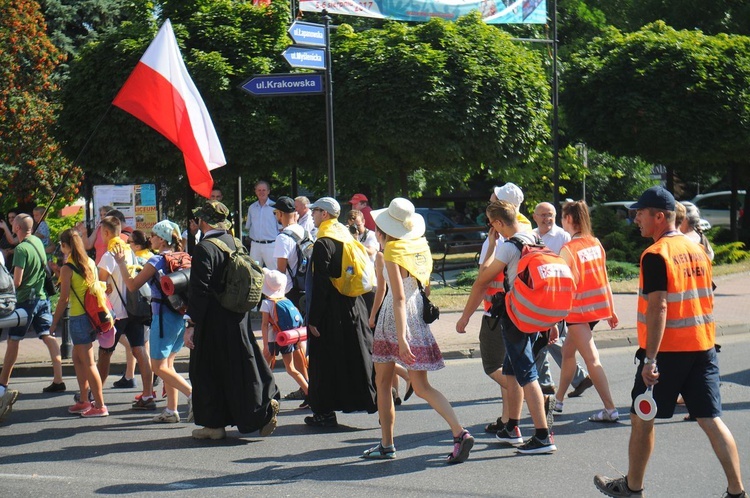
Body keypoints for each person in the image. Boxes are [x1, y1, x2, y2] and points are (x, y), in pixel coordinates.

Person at [594, 186, 745, 498]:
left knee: (641, 417)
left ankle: (632, 489)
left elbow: (659, 306)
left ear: (659, 216)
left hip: (667, 351)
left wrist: (650, 360)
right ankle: (737, 492)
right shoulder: (697, 249)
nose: (635, 218)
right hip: (703, 347)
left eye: (640, 213)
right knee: (710, 419)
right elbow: (705, 292)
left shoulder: (656, 255)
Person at [364, 198, 474, 463]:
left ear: (385, 229)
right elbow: (425, 288)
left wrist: (401, 336)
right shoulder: (420, 245)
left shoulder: (391, 251)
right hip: (416, 313)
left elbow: (397, 296)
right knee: (423, 386)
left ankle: (387, 444)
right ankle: (459, 432)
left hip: (396, 315)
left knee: (382, 382)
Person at [457, 200, 556, 455]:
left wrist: (464, 317)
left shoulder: (510, 247)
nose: (492, 229)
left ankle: (543, 436)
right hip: (535, 315)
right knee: (511, 372)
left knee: (527, 374)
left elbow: (481, 282)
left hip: (516, 318)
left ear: (500, 223)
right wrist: (552, 321)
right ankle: (512, 427)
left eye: (492, 224)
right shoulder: (535, 239)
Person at [186, 200, 279, 440]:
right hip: (238, 317)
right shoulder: (234, 242)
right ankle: (262, 409)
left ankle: (213, 425)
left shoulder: (205, 248)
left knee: (206, 371)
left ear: (203, 222)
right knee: (242, 366)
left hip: (213, 321)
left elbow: (200, 290)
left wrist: (191, 324)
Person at [304, 197, 377, 427]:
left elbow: (321, 283)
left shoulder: (323, 242)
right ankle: (375, 402)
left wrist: (313, 318)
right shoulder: (346, 235)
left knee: (324, 361)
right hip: (354, 305)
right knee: (356, 356)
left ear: (324, 214)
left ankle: (324, 412)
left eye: (315, 211)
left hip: (331, 310)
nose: (313, 215)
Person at [113, 220, 193, 424]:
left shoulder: (157, 260)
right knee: (169, 365)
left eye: (154, 235)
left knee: (158, 366)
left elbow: (132, 285)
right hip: (179, 316)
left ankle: (193, 395)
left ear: (162, 239)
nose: (150, 239)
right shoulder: (183, 256)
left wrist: (121, 263)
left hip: (162, 317)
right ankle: (171, 410)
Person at [467, 182, 532, 434]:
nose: (489, 202)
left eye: (493, 199)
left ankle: (535, 395)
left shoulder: (501, 237)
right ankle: (507, 420)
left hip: (499, 310)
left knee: (493, 365)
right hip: (517, 308)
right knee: (508, 366)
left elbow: (483, 276)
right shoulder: (525, 229)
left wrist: (464, 317)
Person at [552, 200, 619, 422]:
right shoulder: (595, 243)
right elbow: (604, 277)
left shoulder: (568, 249)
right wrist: (611, 309)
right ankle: (558, 401)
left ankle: (610, 409)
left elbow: (560, 286)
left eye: (563, 217)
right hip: (596, 309)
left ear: (569, 219)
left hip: (578, 311)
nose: (562, 221)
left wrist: (552, 317)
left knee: (592, 359)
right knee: (568, 353)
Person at [0, 213, 64, 420]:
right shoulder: (36, 241)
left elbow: (16, 281)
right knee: (47, 336)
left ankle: (3, 383)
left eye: (12, 223)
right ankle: (58, 378)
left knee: (14, 341)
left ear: (17, 227)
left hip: (25, 300)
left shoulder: (21, 249)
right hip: (42, 298)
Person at [532, 202, 593, 398]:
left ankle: (563, 379)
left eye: (550, 215)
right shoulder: (532, 235)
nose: (546, 218)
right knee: (543, 340)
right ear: (535, 217)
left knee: (551, 339)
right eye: (542, 215)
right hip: (538, 295)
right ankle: (548, 382)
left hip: (558, 296)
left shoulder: (563, 237)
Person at [96, 216, 154, 409]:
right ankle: (148, 395)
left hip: (115, 313)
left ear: (105, 232)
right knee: (140, 351)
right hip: (133, 310)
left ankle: (96, 395)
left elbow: (100, 284)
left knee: (105, 353)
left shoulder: (108, 255)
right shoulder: (129, 250)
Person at [49, 229, 108, 417]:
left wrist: (53, 323)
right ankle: (84, 400)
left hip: (78, 318)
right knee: (77, 358)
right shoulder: (89, 262)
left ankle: (99, 405)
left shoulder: (68, 268)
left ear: (65, 246)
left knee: (89, 363)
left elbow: (63, 299)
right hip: (91, 317)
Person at [368, 228, 411, 407]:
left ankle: (405, 380)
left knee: (385, 357)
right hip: (409, 307)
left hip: (390, 308)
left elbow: (382, 289)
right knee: (391, 355)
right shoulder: (405, 251)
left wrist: (372, 315)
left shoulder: (382, 255)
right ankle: (397, 393)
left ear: (380, 235)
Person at [272, 196, 310, 401]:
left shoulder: (283, 238)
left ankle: (307, 388)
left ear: (279, 214)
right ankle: (308, 386)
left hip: (289, 293)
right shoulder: (304, 232)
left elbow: (280, 272)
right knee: (302, 340)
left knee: (295, 342)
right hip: (305, 290)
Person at [260, 269, 309, 408]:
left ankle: (263, 398)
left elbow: (264, 325)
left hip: (272, 341)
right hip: (286, 339)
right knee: (291, 369)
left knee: (263, 370)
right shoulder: (285, 300)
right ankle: (309, 394)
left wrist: (265, 345)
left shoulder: (267, 303)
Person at [346, 209, 378, 313]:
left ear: (363, 221)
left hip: (369, 281)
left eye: (358, 225)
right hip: (354, 280)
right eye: (352, 226)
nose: (356, 229)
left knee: (369, 311)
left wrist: (355, 241)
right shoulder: (347, 236)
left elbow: (371, 252)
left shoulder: (371, 235)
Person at [244, 180, 279, 270]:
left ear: (268, 191)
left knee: (275, 272)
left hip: (271, 245)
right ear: (255, 191)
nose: (261, 192)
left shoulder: (275, 207)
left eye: (264, 190)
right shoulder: (252, 208)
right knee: (253, 272)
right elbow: (248, 226)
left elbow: (280, 227)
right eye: (259, 190)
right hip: (255, 245)